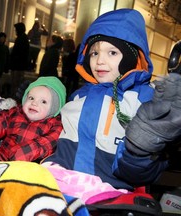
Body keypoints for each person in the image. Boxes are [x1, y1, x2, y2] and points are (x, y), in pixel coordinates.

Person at [41, 8, 180, 204]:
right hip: (61, 184)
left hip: (110, 193)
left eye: (112, 52)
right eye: (94, 52)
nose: (99, 60)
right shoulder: (79, 95)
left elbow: (140, 173)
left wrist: (140, 151)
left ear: (132, 57)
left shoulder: (143, 100)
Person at [10, 22, 30, 99]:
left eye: (16, 30)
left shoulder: (21, 39)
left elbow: (17, 53)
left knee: (15, 84)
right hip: (19, 66)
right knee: (17, 84)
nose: (15, 31)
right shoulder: (24, 38)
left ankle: (14, 99)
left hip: (17, 66)